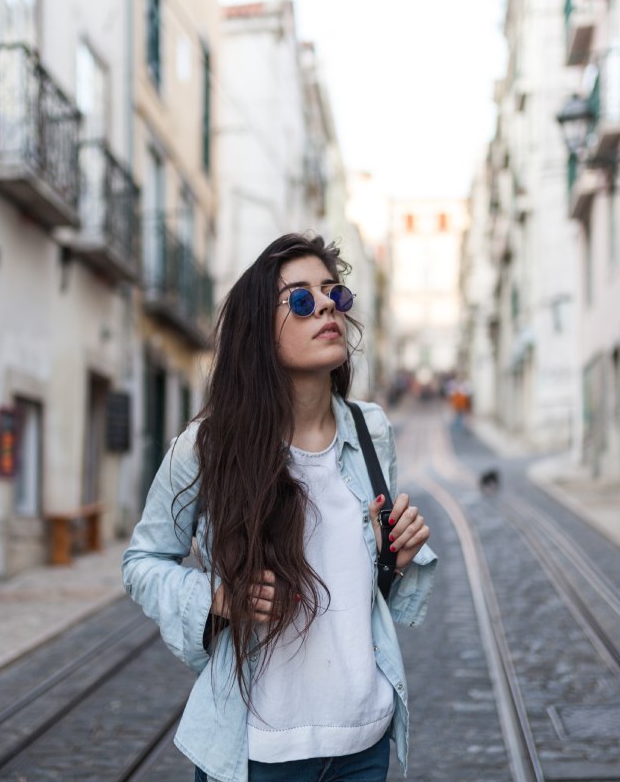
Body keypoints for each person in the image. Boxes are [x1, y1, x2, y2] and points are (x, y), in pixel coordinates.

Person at [122, 233, 437, 782]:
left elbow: (361, 585)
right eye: (298, 299)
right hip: (255, 753)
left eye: (333, 293)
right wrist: (217, 599)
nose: (324, 305)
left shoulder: (371, 431)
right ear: (259, 334)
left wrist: (397, 555)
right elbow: (142, 562)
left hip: (364, 744)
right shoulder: (207, 447)